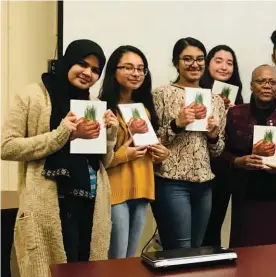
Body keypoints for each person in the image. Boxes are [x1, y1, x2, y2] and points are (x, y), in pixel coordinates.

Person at [1, 39, 118, 277]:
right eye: (82, 64)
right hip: (51, 202)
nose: (88, 73)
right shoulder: (33, 95)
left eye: (96, 70)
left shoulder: (92, 105)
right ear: (67, 62)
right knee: (51, 270)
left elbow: (102, 163)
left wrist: (110, 135)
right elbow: (7, 146)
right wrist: (63, 134)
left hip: (92, 203)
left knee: (87, 269)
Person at [218, 64, 276, 247]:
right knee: (249, 258)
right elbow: (220, 151)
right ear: (251, 85)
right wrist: (238, 161)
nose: (267, 86)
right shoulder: (235, 113)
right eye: (261, 81)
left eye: (272, 82)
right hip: (247, 197)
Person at [150, 37, 226, 249]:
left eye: (200, 59)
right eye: (187, 59)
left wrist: (213, 136)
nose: (195, 64)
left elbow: (218, 151)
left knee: (197, 247)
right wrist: (177, 123)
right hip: (171, 181)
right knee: (179, 248)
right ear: (176, 63)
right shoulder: (161, 94)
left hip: (205, 184)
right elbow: (151, 141)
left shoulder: (216, 100)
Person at [99, 45, 169, 258]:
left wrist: (161, 154)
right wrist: (124, 155)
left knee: (130, 258)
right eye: (128, 67)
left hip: (142, 188)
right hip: (116, 191)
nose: (136, 73)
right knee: (117, 258)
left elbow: (149, 152)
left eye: (141, 69)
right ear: (114, 70)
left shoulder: (144, 108)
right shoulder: (103, 108)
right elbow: (98, 160)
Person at [200, 45, 243, 247]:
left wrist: (234, 116)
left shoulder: (239, 99)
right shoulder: (197, 92)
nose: (224, 67)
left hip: (223, 171)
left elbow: (240, 141)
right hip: (198, 169)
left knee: (213, 226)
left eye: (230, 63)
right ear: (208, 63)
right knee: (195, 229)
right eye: (218, 61)